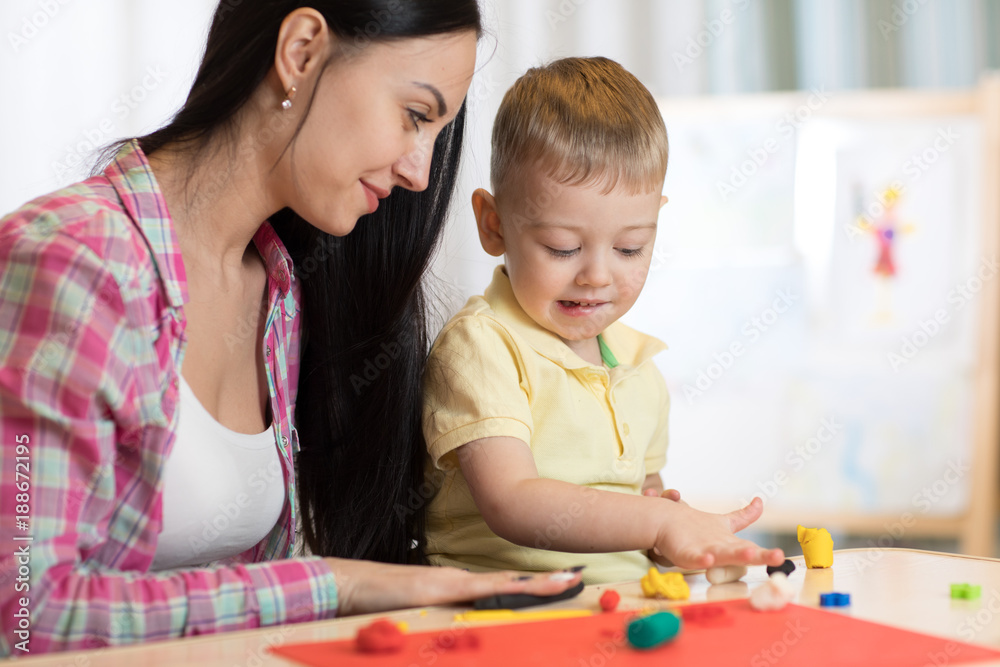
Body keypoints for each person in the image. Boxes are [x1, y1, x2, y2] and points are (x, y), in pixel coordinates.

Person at [0, 1, 582, 655]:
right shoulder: (68, 258)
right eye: (416, 116)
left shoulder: (280, 289)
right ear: (301, 51)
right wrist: (336, 582)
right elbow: (25, 609)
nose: (420, 172)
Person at [422, 57, 785, 584]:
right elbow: (512, 501)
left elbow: (639, 517)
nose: (597, 276)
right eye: (562, 248)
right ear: (494, 225)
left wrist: (679, 542)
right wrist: (660, 521)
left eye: (629, 248)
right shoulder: (482, 346)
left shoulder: (639, 366)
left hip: (619, 611)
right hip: (502, 616)